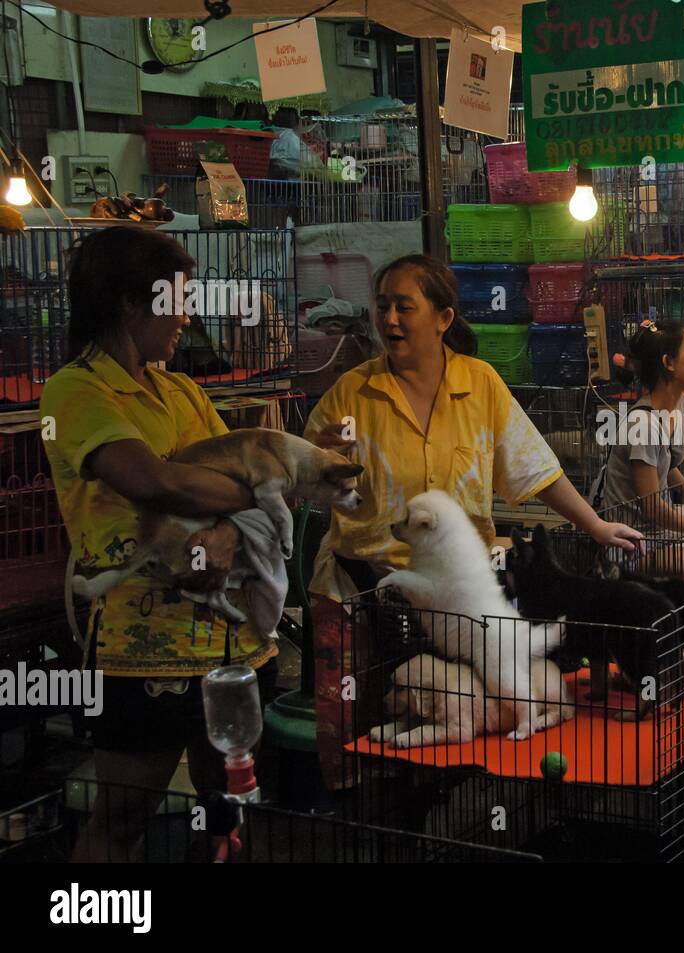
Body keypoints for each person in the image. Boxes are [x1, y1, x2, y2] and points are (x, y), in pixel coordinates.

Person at [303, 255, 642, 782]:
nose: (389, 319)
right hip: (364, 591)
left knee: (455, 734)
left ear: (443, 318)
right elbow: (305, 480)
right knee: (360, 732)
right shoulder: (353, 393)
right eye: (383, 306)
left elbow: (534, 467)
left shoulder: (480, 385)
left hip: (458, 605)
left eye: (404, 307)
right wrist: (320, 459)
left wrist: (595, 526)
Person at [39, 228, 277, 861]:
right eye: (176, 298)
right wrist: (249, 495)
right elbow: (154, 481)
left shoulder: (181, 391)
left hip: (229, 643)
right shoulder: (74, 392)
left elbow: (244, 472)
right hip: (138, 651)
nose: (187, 314)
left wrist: (227, 530)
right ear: (127, 303)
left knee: (227, 811)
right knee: (120, 819)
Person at [594, 317, 684, 535]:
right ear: (668, 363)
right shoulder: (643, 425)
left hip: (659, 532)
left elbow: (666, 464)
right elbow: (652, 506)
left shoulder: (681, 403)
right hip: (630, 541)